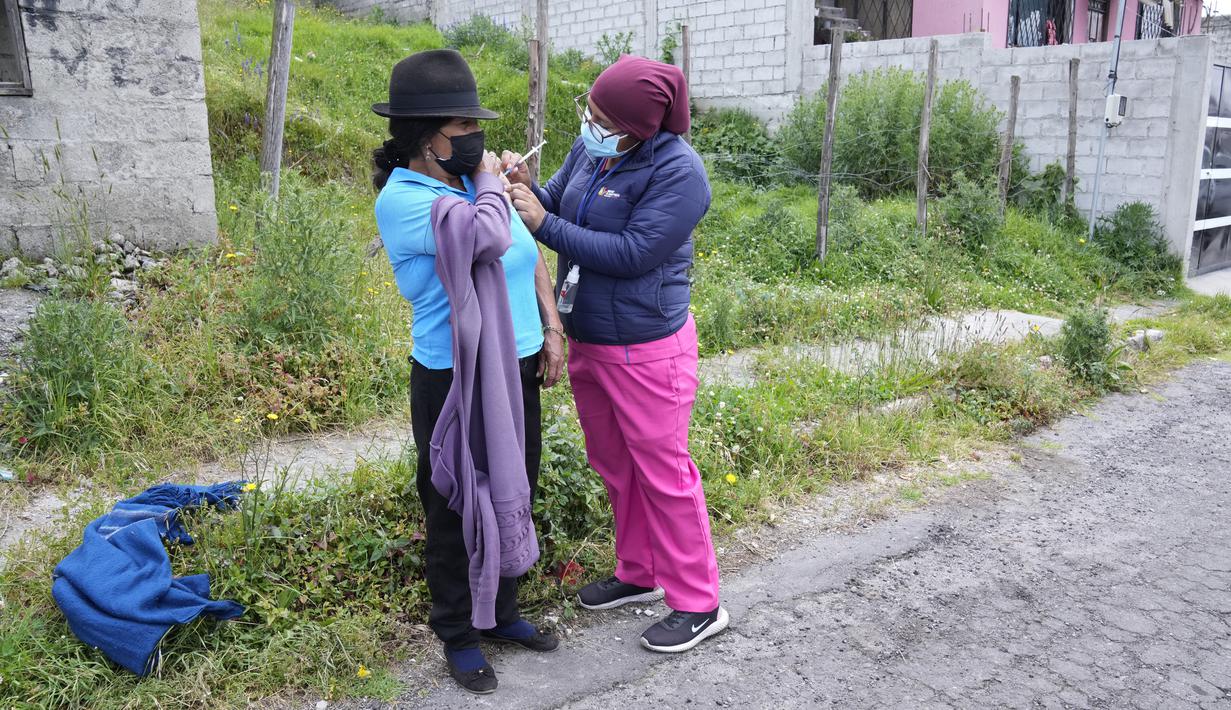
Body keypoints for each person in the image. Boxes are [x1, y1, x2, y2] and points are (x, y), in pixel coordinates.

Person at [504, 54, 726, 653]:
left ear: (638, 126)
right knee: (614, 463)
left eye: (602, 117)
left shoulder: (680, 174)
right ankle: (639, 571)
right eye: (589, 111)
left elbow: (631, 252)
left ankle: (699, 601)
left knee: (664, 473)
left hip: (647, 349)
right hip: (591, 340)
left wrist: (543, 223)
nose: (589, 122)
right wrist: (524, 187)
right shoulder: (595, 149)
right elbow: (556, 198)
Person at [371, 49, 565, 695]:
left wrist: (550, 327)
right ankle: (456, 631)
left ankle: (502, 611)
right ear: (424, 138)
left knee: (516, 485)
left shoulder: (470, 186)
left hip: (516, 360)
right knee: (454, 500)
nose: (475, 139)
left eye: (474, 127)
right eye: (462, 129)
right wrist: (490, 179)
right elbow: (486, 236)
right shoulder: (407, 199)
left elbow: (523, 247)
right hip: (452, 374)